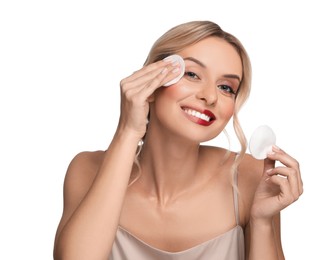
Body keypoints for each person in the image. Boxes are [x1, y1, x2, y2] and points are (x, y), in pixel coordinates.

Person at [53, 20, 303, 260]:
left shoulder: (250, 175)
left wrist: (261, 222)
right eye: (193, 74)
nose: (210, 97)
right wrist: (127, 131)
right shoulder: (86, 169)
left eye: (226, 87)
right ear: (152, 79)